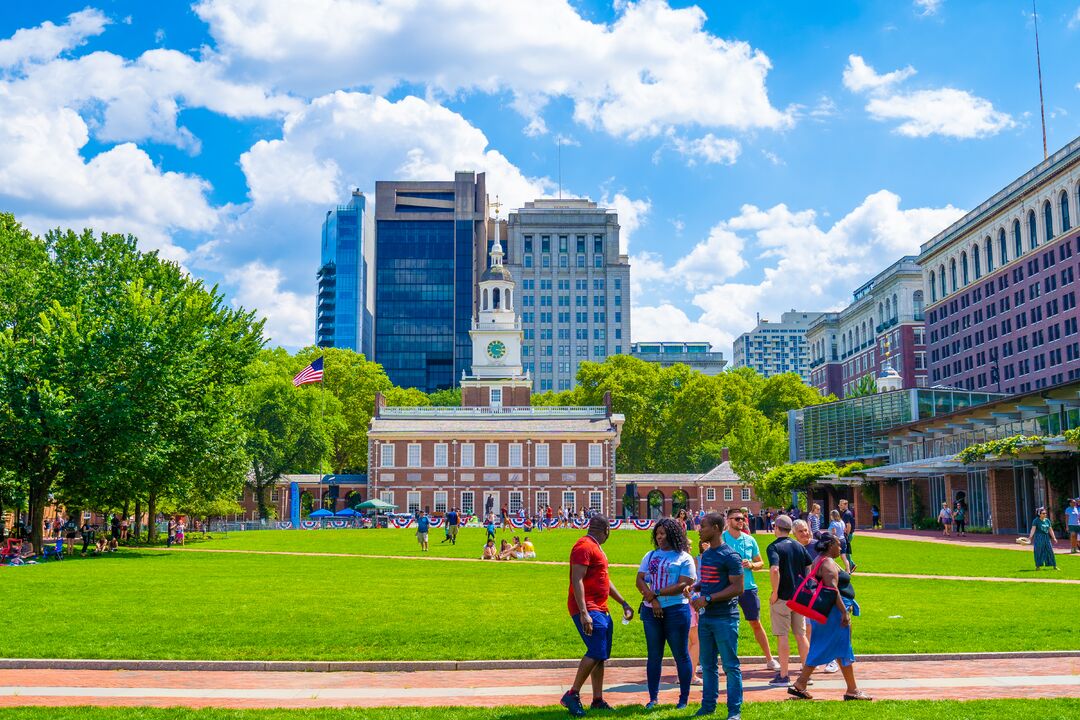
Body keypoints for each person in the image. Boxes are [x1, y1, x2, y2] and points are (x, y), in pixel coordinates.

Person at [560, 516, 634, 717]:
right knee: (595, 650)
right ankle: (572, 694)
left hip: (601, 608)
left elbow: (604, 580)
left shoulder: (596, 548)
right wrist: (584, 613)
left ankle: (597, 699)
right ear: (607, 530)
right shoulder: (583, 547)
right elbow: (577, 580)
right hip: (589, 609)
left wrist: (623, 602)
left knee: (600, 655)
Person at [788, 533, 871, 702]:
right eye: (838, 545)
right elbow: (833, 590)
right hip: (834, 613)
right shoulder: (827, 562)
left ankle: (802, 684)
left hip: (828, 613)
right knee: (837, 648)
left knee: (837, 648)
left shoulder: (819, 559)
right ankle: (852, 691)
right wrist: (843, 612)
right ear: (830, 545)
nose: (840, 548)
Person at [636, 517, 696, 710]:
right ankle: (653, 698)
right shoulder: (651, 555)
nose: (660, 537)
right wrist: (653, 600)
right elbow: (639, 580)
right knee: (654, 655)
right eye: (658, 534)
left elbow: (684, 583)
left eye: (663, 533)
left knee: (681, 655)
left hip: (676, 610)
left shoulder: (683, 557)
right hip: (651, 611)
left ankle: (683, 699)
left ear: (673, 534)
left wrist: (658, 593)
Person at [690, 512, 744, 719]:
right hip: (706, 617)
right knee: (709, 665)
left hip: (725, 618)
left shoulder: (730, 556)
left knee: (730, 666)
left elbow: (738, 588)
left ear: (715, 528)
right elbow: (712, 582)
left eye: (702, 526)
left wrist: (709, 599)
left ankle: (734, 711)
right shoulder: (708, 554)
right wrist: (696, 587)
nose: (699, 529)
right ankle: (708, 706)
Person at [721, 508, 777, 673]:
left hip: (748, 588)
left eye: (743, 518)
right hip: (726, 589)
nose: (741, 521)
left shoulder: (749, 540)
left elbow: (760, 563)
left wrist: (752, 565)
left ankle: (769, 659)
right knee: (722, 625)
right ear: (728, 520)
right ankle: (712, 661)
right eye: (737, 518)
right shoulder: (721, 540)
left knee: (755, 623)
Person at [767, 514, 813, 686]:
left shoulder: (774, 547)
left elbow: (774, 569)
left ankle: (784, 675)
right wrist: (805, 585)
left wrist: (775, 592)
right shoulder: (799, 546)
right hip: (798, 597)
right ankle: (807, 674)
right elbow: (809, 565)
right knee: (801, 635)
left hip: (783, 597)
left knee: (782, 635)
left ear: (777, 528)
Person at [839, 499, 856, 572]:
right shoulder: (846, 513)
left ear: (846, 505)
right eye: (840, 504)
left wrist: (846, 535)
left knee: (846, 552)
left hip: (848, 534)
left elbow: (848, 525)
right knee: (846, 551)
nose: (839, 505)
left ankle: (850, 566)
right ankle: (851, 564)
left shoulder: (847, 514)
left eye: (841, 504)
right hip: (849, 534)